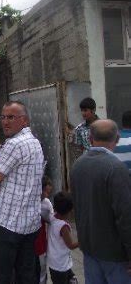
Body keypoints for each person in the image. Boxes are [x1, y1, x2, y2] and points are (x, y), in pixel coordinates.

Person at [0, 101, 45, 284]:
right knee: (26, 275)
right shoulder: (35, 143)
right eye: (3, 117)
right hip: (29, 224)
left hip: (7, 224)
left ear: (24, 120)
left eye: (11, 117)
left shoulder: (14, 144)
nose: (5, 122)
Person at [70, 119, 131, 283]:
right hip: (115, 255)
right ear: (117, 139)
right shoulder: (116, 169)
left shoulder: (78, 165)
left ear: (90, 139)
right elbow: (125, 216)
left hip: (90, 248)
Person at [47, 191, 78, 284]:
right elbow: (71, 245)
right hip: (61, 265)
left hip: (54, 262)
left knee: (72, 279)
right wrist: (84, 240)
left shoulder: (52, 217)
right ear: (68, 211)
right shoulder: (63, 227)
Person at [34, 175, 54, 284]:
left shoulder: (46, 204)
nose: (46, 195)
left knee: (42, 267)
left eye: (48, 192)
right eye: (45, 191)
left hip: (41, 243)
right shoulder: (30, 201)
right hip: (30, 243)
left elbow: (51, 221)